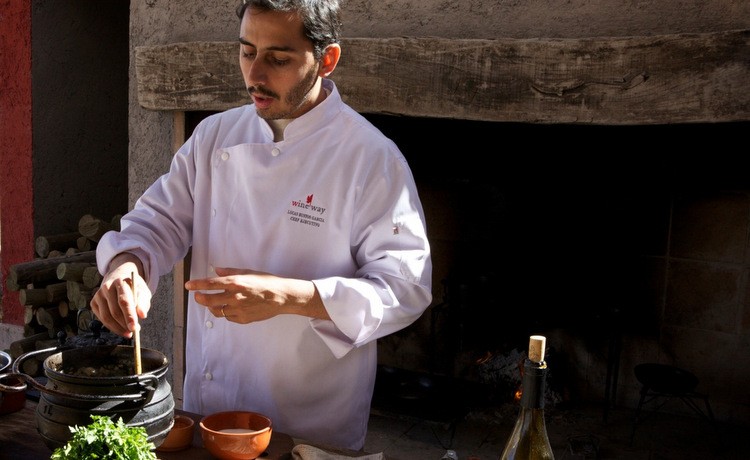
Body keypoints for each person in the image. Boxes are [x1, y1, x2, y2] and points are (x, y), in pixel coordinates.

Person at [90, 0, 432, 451]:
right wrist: (128, 264)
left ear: (327, 59)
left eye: (278, 58)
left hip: (310, 429)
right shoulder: (214, 136)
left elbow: (405, 287)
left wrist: (291, 297)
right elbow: (158, 220)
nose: (254, 74)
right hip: (209, 413)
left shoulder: (370, 157)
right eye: (247, 51)